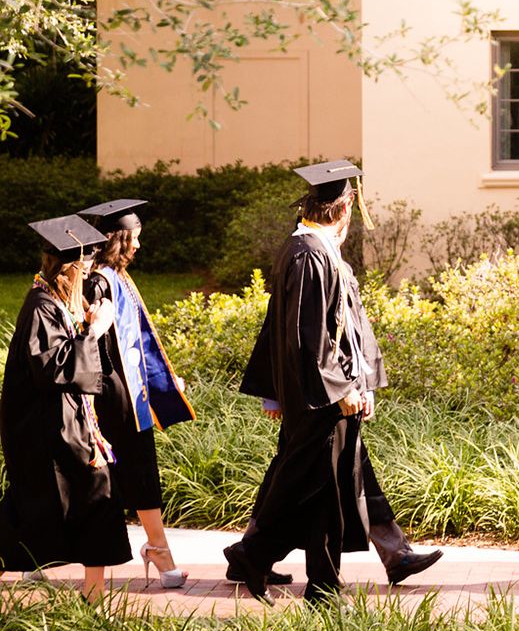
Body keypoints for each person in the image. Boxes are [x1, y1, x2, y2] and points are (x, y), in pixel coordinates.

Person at [224, 159, 439, 604]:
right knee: (302, 483)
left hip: (326, 393)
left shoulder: (315, 250)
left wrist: (361, 383)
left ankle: (320, 584)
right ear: (344, 209)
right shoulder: (308, 254)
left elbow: (341, 327)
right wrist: (343, 389)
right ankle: (254, 555)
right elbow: (308, 335)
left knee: (324, 488)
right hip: (321, 397)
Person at [0, 216, 129, 601]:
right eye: (86, 265)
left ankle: (94, 599)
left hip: (61, 424)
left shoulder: (53, 301)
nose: (90, 273)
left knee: (87, 499)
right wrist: (96, 330)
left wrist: (87, 324)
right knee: (45, 507)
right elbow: (55, 370)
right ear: (71, 268)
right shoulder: (41, 305)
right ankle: (94, 600)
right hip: (44, 431)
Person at [75, 199, 198, 589]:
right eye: (136, 239)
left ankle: (159, 552)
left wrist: (163, 380)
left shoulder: (118, 276)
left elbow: (138, 341)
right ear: (120, 238)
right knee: (107, 478)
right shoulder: (98, 280)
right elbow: (92, 339)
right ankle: (44, 551)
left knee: (141, 471)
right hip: (110, 395)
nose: (139, 247)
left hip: (132, 393)